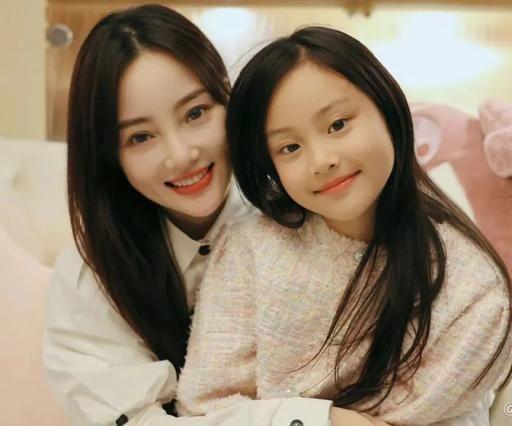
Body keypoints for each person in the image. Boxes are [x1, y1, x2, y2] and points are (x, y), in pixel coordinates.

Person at [43, 6, 380, 426]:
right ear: (110, 155)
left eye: (195, 113)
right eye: (141, 137)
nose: (181, 155)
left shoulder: (309, 210)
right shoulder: (92, 279)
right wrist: (315, 420)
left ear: (227, 100)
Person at [177, 26, 512, 425]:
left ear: (387, 108)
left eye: (337, 125)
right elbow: (204, 408)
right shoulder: (250, 247)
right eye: (290, 147)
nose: (322, 160)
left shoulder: (471, 286)